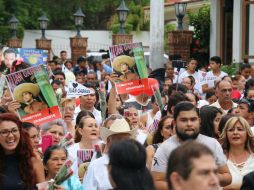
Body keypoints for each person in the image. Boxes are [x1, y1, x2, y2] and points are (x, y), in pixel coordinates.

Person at [151, 101, 231, 190]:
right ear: (174, 123)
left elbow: (227, 177)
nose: (189, 124)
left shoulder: (213, 144)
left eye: (193, 119)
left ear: (199, 121)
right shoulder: (164, 148)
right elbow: (156, 182)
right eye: (183, 120)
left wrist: (208, 176)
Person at [83, 115, 137, 190]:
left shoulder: (137, 165)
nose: (123, 143)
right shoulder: (95, 167)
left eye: (126, 139)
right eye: (118, 139)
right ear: (108, 141)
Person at [0, 113, 45, 189]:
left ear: (20, 133)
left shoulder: (33, 159)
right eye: (4, 132)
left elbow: (43, 188)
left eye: (14, 130)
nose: (11, 135)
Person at [220, 116, 254, 189]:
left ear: (247, 133)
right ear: (226, 134)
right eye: (231, 130)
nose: (235, 132)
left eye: (240, 129)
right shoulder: (219, 159)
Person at [67, 113, 100, 177]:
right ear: (80, 131)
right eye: (90, 126)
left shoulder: (102, 148)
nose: (94, 129)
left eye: (96, 126)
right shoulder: (71, 151)